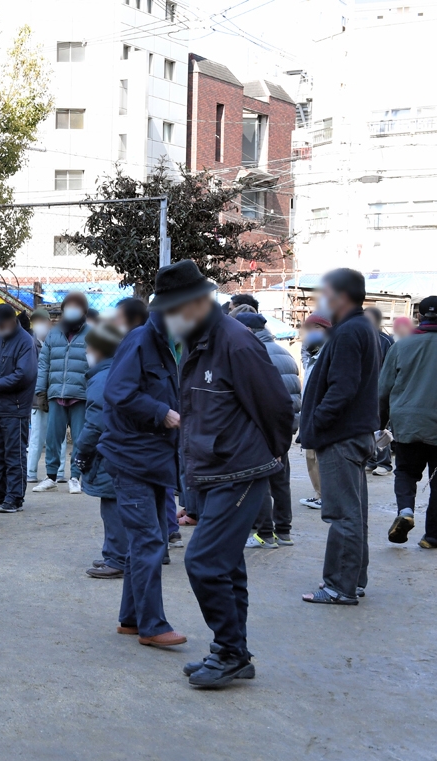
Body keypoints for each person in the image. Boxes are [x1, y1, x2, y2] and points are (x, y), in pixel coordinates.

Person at [147, 263, 292, 688]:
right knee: (227, 566)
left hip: (240, 470)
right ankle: (235, 653)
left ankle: (228, 652)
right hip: (212, 471)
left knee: (204, 561)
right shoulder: (196, 343)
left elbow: (278, 410)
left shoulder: (235, 343)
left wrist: (264, 457)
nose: (168, 317)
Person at [98, 277, 183, 650]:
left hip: (152, 459)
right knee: (149, 541)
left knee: (147, 540)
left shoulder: (166, 345)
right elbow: (118, 392)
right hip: (131, 458)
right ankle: (152, 625)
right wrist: (161, 412)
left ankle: (132, 619)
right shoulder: (140, 341)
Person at [299, 268, 381, 605]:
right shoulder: (360, 328)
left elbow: (342, 389)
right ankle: (353, 580)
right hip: (353, 433)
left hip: (341, 436)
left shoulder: (350, 332)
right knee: (353, 512)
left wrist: (317, 423)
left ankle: (339, 586)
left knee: (343, 514)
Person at [230, 306, 302, 549]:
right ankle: (284, 531)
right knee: (281, 479)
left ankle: (265, 533)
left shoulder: (253, 352)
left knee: (259, 480)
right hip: (284, 426)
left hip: (262, 427)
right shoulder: (285, 352)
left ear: (248, 330)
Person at [379, 296, 437, 547]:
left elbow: (383, 390)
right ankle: (432, 536)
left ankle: (405, 512)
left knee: (405, 472)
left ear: (420, 317)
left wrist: (380, 423)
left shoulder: (401, 346)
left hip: (407, 422)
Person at [75, 323, 125, 579]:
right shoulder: (123, 369)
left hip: (111, 452)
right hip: (127, 449)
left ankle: (117, 558)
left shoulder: (101, 379)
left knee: (112, 504)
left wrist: (81, 453)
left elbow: (95, 423)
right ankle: (119, 554)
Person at [33, 293, 90, 495]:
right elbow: (43, 364)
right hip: (56, 393)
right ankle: (51, 477)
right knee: (53, 437)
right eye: (69, 307)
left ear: (84, 311)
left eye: (77, 307)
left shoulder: (92, 334)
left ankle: (75, 477)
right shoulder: (54, 334)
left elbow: (98, 365)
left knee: (80, 438)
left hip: (81, 396)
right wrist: (41, 391)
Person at [0, 304, 38, 513]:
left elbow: (24, 375)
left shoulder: (26, 342)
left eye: (0, 324)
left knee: (15, 454)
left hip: (16, 408)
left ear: (11, 321)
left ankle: (15, 496)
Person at [298, 313, 331, 510]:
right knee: (310, 455)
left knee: (320, 456)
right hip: (308, 411)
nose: (311, 333)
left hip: (320, 412)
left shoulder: (329, 353)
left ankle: (325, 496)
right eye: (308, 329)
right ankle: (318, 493)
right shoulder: (310, 355)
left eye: (316, 328)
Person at [365, 307, 396, 477]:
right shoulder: (361, 337)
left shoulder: (387, 340)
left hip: (381, 390)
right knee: (366, 426)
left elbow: (390, 368)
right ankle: (370, 459)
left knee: (381, 426)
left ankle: (384, 463)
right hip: (364, 391)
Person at [26, 307, 52, 483]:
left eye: (42, 321)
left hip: (56, 395)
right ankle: (31, 472)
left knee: (56, 437)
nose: (39, 325)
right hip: (36, 397)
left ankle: (57, 474)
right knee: (36, 437)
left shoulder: (57, 341)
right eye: (36, 322)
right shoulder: (28, 343)